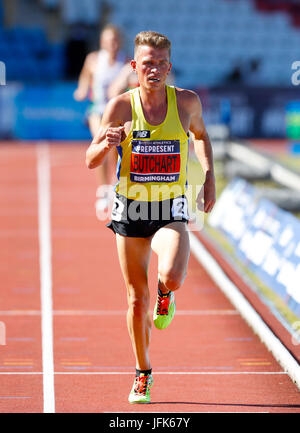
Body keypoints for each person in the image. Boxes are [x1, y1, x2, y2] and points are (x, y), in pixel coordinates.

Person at [85, 31, 216, 404]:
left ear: (169, 67)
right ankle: (143, 373)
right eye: (147, 64)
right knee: (134, 301)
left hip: (169, 206)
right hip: (131, 210)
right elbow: (90, 159)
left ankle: (166, 293)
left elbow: (202, 137)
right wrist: (107, 143)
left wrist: (209, 177)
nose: (154, 70)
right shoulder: (120, 107)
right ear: (134, 67)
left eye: (160, 63)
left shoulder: (186, 103)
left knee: (173, 273)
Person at [74, 24, 126, 218]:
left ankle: (113, 186)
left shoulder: (126, 61)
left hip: (119, 113)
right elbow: (85, 76)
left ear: (119, 42)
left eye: (114, 40)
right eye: (107, 41)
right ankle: (103, 190)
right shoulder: (94, 59)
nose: (111, 44)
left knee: (115, 151)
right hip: (97, 110)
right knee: (101, 141)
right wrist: (81, 89)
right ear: (102, 42)